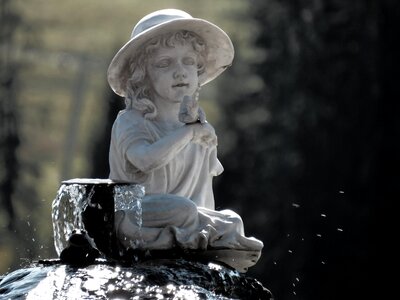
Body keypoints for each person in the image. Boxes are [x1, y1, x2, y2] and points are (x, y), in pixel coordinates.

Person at [107, 9, 263, 270]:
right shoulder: (130, 122)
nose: (180, 72)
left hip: (185, 213)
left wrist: (194, 132)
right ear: (142, 74)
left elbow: (201, 191)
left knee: (232, 220)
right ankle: (190, 240)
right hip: (135, 216)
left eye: (188, 61)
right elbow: (145, 160)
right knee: (183, 210)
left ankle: (200, 242)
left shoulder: (196, 122)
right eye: (165, 64)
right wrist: (188, 134)